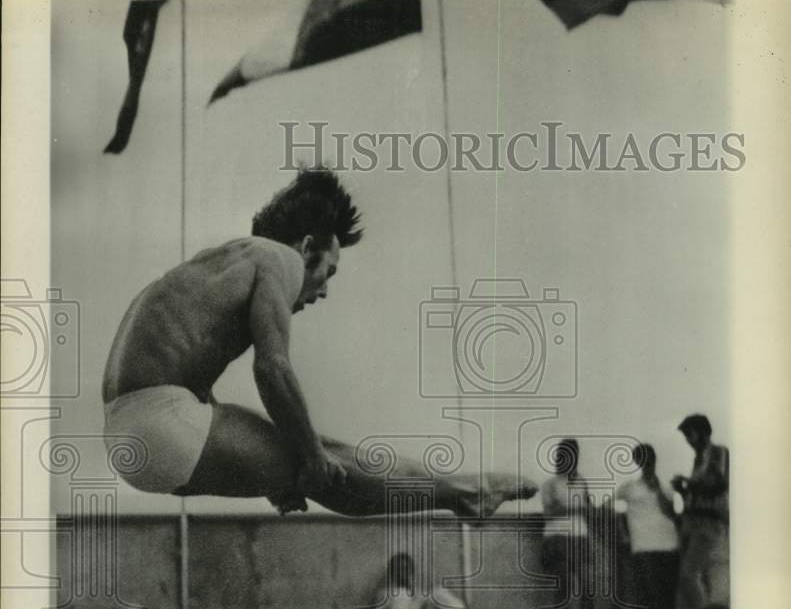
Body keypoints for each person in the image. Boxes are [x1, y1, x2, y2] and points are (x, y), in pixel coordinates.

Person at [103, 166, 537, 519]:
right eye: (327, 271)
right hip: (163, 425)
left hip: (131, 438)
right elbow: (272, 369)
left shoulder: (218, 265)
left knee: (310, 457)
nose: (323, 290)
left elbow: (189, 379)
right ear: (307, 245)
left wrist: (271, 472)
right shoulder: (279, 257)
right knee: (326, 460)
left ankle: (458, 494)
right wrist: (308, 457)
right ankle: (467, 491)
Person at [671, 415, 729, 609]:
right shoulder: (698, 459)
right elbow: (698, 491)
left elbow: (719, 484)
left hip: (708, 522)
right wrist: (683, 490)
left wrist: (689, 484)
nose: (688, 440)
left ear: (703, 433)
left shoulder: (718, 453)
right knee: (688, 579)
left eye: (690, 434)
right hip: (692, 521)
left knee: (689, 574)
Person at [616, 444, 680, 609]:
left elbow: (671, 513)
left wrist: (657, 488)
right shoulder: (628, 487)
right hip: (642, 545)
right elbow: (613, 509)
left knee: (666, 591)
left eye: (649, 459)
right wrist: (623, 533)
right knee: (646, 590)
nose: (646, 463)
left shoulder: (666, 485)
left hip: (668, 544)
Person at [540, 438, 593, 609]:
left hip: (580, 537)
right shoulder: (550, 485)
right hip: (558, 537)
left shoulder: (581, 482)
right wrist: (576, 509)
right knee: (563, 586)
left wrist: (583, 510)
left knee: (588, 584)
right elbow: (549, 513)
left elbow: (589, 510)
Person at [363, 553, 479, 609]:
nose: (403, 573)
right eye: (399, 569)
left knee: (438, 592)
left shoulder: (418, 593)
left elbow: (423, 607)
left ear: (411, 572)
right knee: (400, 595)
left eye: (406, 569)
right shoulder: (384, 594)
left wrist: (416, 597)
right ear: (392, 573)